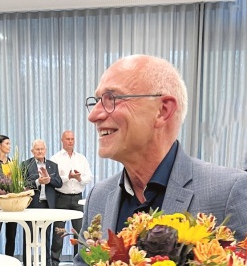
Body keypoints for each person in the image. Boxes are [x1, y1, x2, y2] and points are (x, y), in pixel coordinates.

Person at [74, 54, 247, 265]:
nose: (94, 115)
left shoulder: (229, 192)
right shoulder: (98, 197)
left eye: (112, 99)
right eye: (97, 101)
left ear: (163, 110)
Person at [50, 130, 93, 266]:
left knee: (79, 233)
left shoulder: (81, 158)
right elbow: (53, 179)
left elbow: (89, 178)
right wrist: (67, 177)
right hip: (61, 198)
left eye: (72, 139)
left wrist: (79, 177)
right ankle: (55, 262)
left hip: (78, 199)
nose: (70, 141)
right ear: (62, 141)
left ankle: (78, 262)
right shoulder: (55, 158)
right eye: (67, 139)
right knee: (58, 234)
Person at [22, 139, 63, 266]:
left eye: (42, 149)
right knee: (29, 237)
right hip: (31, 205)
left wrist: (49, 179)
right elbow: (23, 184)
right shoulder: (25, 165)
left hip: (48, 206)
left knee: (46, 237)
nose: (40, 151)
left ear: (45, 150)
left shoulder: (52, 165)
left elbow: (59, 183)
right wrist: (38, 182)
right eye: (37, 149)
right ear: (32, 151)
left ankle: (46, 263)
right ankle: (27, 262)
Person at [0, 135, 18, 256]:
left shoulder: (12, 162)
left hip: (11, 202)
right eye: (7, 144)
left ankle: (9, 259)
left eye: (9, 144)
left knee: (11, 236)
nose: (9, 146)